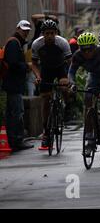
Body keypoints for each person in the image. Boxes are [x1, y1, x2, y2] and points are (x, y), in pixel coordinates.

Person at [31, 20, 72, 150]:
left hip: (61, 67)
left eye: (52, 33)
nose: (49, 36)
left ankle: (67, 107)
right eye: (47, 33)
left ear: (56, 33)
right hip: (46, 69)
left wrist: (67, 77)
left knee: (64, 87)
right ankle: (46, 132)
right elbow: (34, 63)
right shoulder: (37, 44)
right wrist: (38, 77)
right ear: (42, 34)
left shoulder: (62, 43)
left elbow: (71, 62)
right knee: (45, 99)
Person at [1, 20, 34, 151]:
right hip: (13, 84)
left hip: (12, 83)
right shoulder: (14, 43)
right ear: (17, 29)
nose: (25, 32)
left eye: (27, 30)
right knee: (17, 112)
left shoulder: (16, 42)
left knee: (12, 113)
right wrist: (27, 66)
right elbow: (13, 63)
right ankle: (17, 141)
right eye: (23, 30)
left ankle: (14, 140)